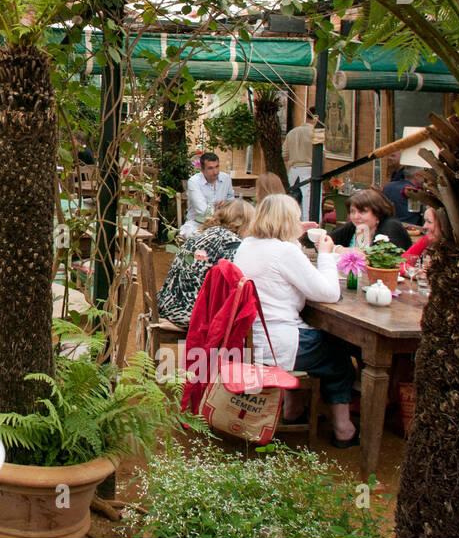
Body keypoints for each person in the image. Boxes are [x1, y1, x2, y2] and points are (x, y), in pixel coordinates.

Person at [233, 194, 359, 447]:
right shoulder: (285, 251)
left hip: (251, 341)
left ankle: (293, 408)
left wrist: (294, 236)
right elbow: (329, 293)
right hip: (278, 344)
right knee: (338, 356)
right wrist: (324, 254)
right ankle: (343, 429)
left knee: (322, 344)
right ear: (288, 221)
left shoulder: (247, 244)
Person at [156, 199, 255, 329]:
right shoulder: (230, 242)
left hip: (166, 305)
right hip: (189, 314)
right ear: (244, 222)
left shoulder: (205, 233)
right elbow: (233, 283)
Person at [329, 189, 413, 251]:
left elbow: (378, 261)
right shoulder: (356, 225)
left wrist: (339, 250)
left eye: (362, 212)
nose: (356, 216)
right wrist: (340, 249)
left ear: (377, 212)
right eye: (352, 212)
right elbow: (325, 241)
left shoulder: (390, 226)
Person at [179, 152, 233, 239]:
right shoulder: (194, 182)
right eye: (210, 168)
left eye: (217, 167)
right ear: (202, 170)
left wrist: (227, 203)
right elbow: (202, 210)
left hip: (222, 223)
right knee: (192, 236)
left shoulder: (226, 179)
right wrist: (223, 211)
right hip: (197, 223)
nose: (215, 172)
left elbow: (231, 200)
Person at [282, 106, 316, 221]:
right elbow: (322, 156)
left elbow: (284, 155)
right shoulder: (316, 133)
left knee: (293, 202)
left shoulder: (292, 132)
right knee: (309, 203)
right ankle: (310, 229)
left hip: (293, 171)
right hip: (310, 170)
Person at [401, 206, 440, 273]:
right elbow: (400, 262)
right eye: (425, 221)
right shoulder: (426, 240)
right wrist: (413, 271)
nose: (424, 226)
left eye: (429, 222)